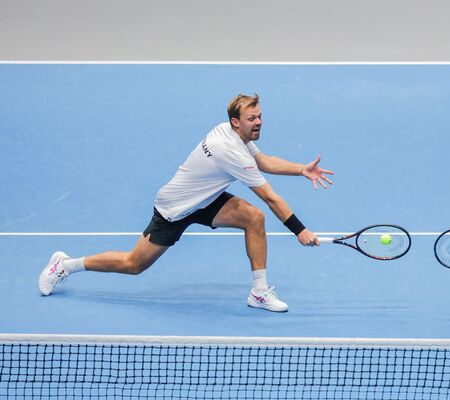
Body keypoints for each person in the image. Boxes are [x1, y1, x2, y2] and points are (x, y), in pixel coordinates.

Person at [38, 94, 334, 313]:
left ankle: (259, 292)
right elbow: (270, 196)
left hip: (206, 199)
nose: (258, 122)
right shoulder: (231, 151)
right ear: (236, 122)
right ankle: (66, 265)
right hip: (175, 208)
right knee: (134, 264)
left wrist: (301, 170)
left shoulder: (232, 132)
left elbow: (265, 162)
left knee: (253, 218)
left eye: (259, 116)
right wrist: (299, 230)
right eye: (251, 118)